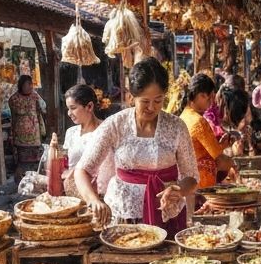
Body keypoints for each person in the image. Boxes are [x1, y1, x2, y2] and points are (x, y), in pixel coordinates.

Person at [74, 57, 198, 232]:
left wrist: (179, 190)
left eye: (158, 100)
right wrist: (93, 200)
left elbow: (191, 177)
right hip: (124, 214)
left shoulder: (176, 126)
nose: (151, 107)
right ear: (132, 97)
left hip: (167, 213)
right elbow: (82, 170)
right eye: (145, 101)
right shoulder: (115, 124)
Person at [180, 74, 236, 190]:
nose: (211, 102)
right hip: (202, 184)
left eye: (212, 98)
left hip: (188, 182)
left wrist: (221, 146)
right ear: (198, 95)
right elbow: (219, 160)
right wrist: (235, 164)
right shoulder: (199, 121)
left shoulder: (184, 116)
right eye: (208, 97)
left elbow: (204, 151)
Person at [61, 84, 103, 196]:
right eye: (68, 109)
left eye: (73, 108)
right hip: (71, 190)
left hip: (96, 192)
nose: (69, 113)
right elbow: (65, 164)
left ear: (89, 106)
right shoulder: (71, 133)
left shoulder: (105, 131)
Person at [8, 73, 45, 182]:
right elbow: (13, 115)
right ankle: (21, 181)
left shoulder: (35, 96)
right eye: (27, 84)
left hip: (34, 133)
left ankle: (35, 180)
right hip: (20, 134)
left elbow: (43, 107)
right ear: (21, 85)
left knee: (36, 159)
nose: (29, 87)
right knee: (22, 161)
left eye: (31, 84)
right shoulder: (14, 99)